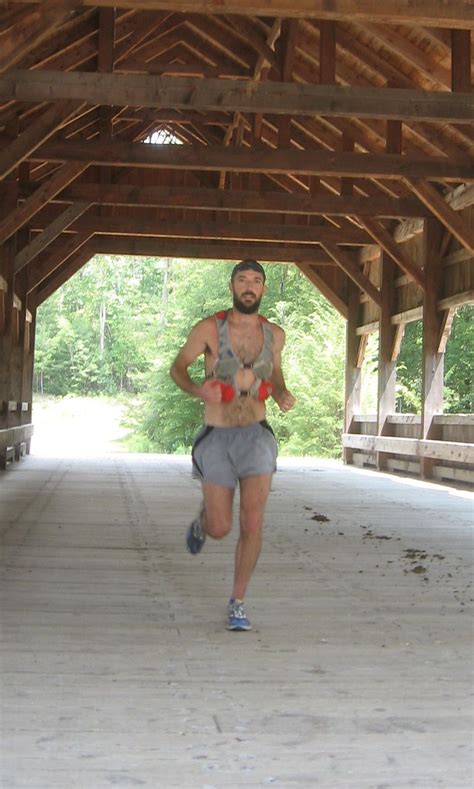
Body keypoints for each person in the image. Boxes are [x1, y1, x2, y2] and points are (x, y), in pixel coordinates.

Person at [170, 260, 295, 631]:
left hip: (257, 435)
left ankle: (237, 602)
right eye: (242, 280)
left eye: (256, 281)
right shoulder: (210, 328)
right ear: (232, 286)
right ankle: (206, 518)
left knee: (252, 523)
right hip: (217, 436)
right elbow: (178, 366)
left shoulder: (275, 334)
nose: (249, 287)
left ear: (264, 290)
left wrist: (283, 392)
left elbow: (275, 373)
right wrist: (197, 389)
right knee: (222, 527)